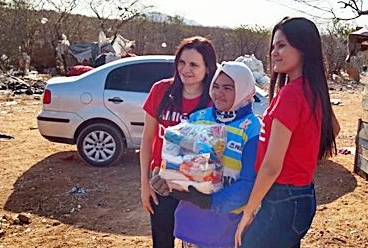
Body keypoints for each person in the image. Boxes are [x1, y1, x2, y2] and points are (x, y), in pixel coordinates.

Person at [234, 17, 337, 248]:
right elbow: (333, 128)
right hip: (303, 195)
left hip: (281, 199)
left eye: (282, 45)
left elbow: (272, 167)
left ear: (303, 49)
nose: (274, 53)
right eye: (273, 47)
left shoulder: (290, 95)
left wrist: (248, 212)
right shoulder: (314, 90)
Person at [151, 61, 261, 248]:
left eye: (228, 88)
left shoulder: (252, 128)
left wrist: (211, 201)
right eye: (216, 86)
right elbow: (178, 162)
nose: (219, 93)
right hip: (193, 222)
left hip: (228, 224)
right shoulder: (197, 118)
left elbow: (249, 183)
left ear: (244, 91)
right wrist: (165, 182)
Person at [140, 36, 217, 248]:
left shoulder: (214, 100)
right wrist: (145, 184)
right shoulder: (161, 91)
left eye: (194, 65)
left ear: (207, 68)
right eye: (182, 63)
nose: (186, 69)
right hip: (162, 183)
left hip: (197, 186)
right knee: (162, 241)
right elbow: (147, 139)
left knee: (194, 243)